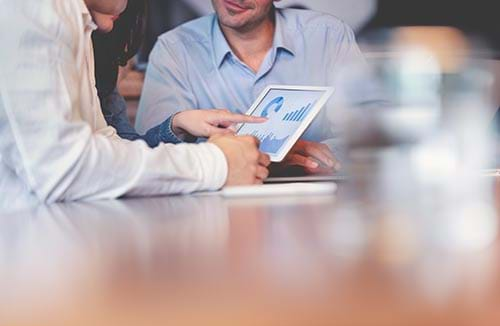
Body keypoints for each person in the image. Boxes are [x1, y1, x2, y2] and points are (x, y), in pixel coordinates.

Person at [0, 0, 270, 204]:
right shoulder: (34, 10)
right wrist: (216, 162)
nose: (131, 5)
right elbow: (63, 168)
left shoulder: (78, 21)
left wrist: (183, 131)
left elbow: (106, 141)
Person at [136, 0, 371, 175]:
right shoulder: (174, 50)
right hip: (215, 209)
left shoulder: (328, 36)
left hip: (316, 205)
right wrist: (266, 155)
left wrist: (309, 153)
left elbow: (368, 132)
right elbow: (151, 152)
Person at [93, 0, 268, 147]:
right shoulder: (174, 47)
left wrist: (178, 123)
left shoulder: (100, 64)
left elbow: (129, 150)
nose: (123, 5)